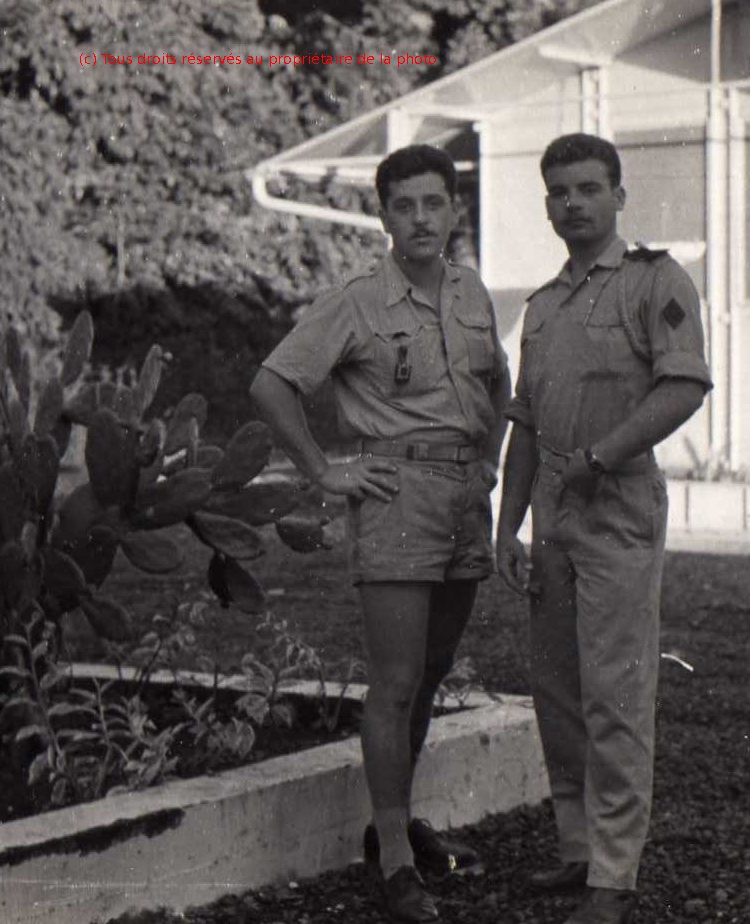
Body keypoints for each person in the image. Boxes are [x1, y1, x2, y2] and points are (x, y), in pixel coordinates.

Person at [250, 144, 510, 923]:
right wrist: (324, 471)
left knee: (432, 671)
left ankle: (393, 824)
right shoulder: (358, 302)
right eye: (405, 205)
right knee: (396, 681)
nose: (421, 219)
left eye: (434, 203)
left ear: (455, 210)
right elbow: (271, 384)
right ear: (384, 215)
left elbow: (497, 380)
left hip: (463, 497)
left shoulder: (471, 291)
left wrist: (491, 461)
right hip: (395, 496)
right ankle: (395, 859)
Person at [494, 133, 712, 924]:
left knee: (615, 691)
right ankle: (578, 849)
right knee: (557, 690)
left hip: (616, 498)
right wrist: (507, 528)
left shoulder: (655, 280)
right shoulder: (543, 306)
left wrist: (602, 455)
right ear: (547, 204)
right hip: (554, 504)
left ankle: (614, 877)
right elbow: (524, 424)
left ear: (618, 196)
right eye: (560, 191)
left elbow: (684, 387)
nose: (573, 203)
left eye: (589, 188)